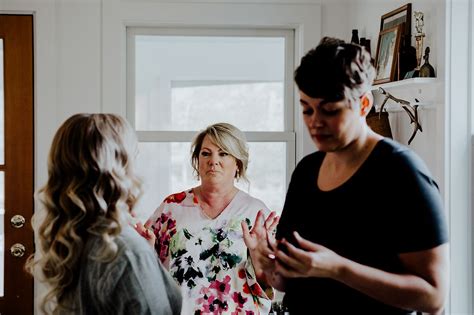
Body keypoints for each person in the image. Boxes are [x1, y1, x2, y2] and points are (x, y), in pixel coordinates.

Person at [243, 37, 449, 314]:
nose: (315, 122)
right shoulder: (306, 171)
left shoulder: (400, 171)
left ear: (364, 104)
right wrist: (266, 265)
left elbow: (433, 297)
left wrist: (339, 268)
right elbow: (286, 281)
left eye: (330, 110)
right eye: (307, 109)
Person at [26, 113, 182, 315]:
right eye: (133, 157)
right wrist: (140, 260)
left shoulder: (76, 236)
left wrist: (147, 257)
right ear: (118, 168)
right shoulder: (127, 251)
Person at [142, 122, 278, 314]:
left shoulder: (255, 214)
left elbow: (272, 282)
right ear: (197, 160)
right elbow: (147, 273)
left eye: (223, 153)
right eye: (206, 153)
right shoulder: (171, 208)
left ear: (238, 163)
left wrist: (258, 257)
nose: (213, 161)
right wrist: (146, 249)